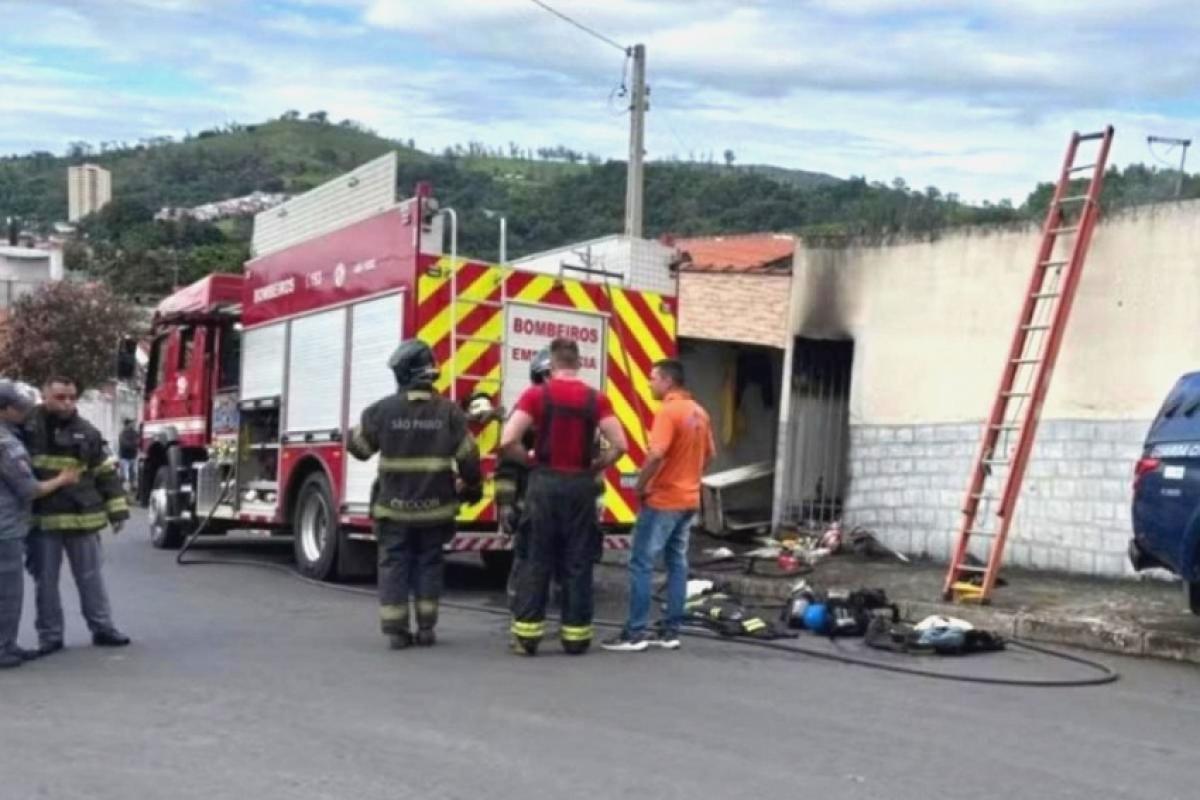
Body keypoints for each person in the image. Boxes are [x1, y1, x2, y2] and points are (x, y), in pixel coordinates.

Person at [348, 341, 483, 649]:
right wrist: (472, 487)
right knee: (429, 564)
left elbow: (359, 450)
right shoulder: (450, 412)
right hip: (435, 511)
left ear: (402, 374)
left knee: (394, 564)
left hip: (393, 511)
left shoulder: (382, 410)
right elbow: (470, 461)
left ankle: (396, 631)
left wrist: (359, 427)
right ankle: (426, 629)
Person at [500, 337, 627, 656]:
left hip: (544, 485)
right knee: (577, 561)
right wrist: (597, 463)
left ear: (553, 365)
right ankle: (576, 637)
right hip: (580, 487)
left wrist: (529, 459)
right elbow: (619, 444)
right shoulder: (596, 399)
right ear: (578, 364)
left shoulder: (536, 395)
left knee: (535, 560)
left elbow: (507, 440)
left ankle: (527, 637)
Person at [603, 358, 713, 653]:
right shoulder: (699, 412)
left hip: (663, 499)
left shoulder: (669, 411)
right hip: (689, 500)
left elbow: (656, 454)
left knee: (641, 562)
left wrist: (641, 485)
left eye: (653, 378)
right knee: (677, 563)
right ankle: (669, 631)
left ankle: (635, 633)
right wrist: (688, 476)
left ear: (668, 381)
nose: (649, 383)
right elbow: (709, 454)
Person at [24, 376, 130, 655]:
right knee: (45, 581)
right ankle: (50, 636)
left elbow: (105, 473)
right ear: (44, 395)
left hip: (83, 518)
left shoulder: (88, 432)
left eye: (72, 397)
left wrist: (117, 511)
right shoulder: (26, 428)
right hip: (43, 519)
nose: (68, 402)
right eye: (60, 397)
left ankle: (103, 629)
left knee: (90, 578)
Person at [0, 380, 82, 669]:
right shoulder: (6, 444)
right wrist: (62, 479)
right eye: (19, 409)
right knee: (7, 593)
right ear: (5, 410)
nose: (24, 413)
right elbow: (29, 489)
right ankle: (3, 648)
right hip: (5, 529)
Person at [117, 418, 138, 490]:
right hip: (124, 457)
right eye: (131, 423)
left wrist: (134, 445)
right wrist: (134, 445)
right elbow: (124, 444)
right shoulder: (123, 434)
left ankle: (132, 487)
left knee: (133, 473)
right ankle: (126, 489)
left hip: (132, 456)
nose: (133, 425)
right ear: (127, 424)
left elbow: (138, 441)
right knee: (126, 475)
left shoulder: (135, 433)